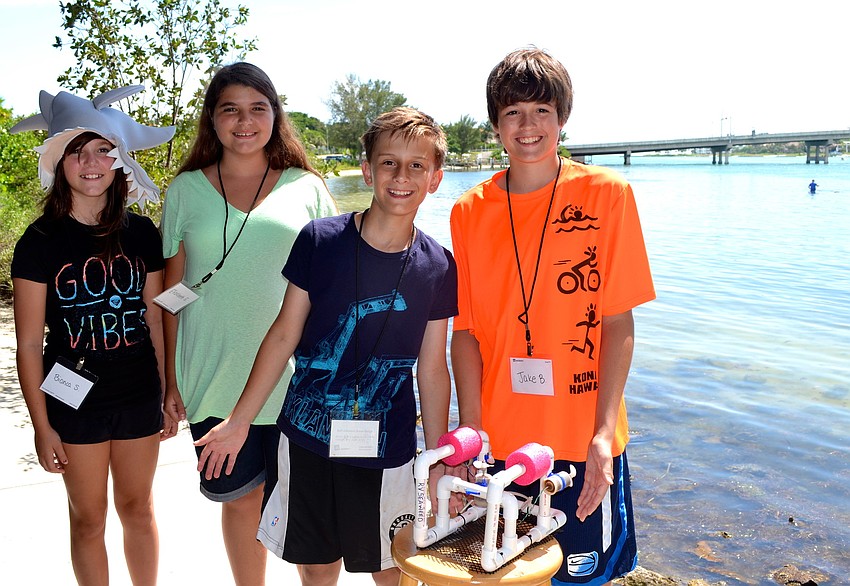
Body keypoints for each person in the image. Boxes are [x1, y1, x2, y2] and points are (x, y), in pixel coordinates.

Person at [193, 106, 458, 586]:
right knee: (316, 566)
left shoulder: (438, 265)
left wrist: (438, 460)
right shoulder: (321, 240)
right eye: (388, 163)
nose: (402, 176)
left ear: (435, 178)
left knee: (392, 566)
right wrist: (239, 420)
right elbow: (283, 333)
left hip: (387, 446)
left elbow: (433, 370)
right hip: (307, 439)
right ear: (367, 168)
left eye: (417, 165)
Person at [450, 47, 656, 585]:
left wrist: (603, 436)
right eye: (513, 112)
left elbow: (618, 323)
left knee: (582, 577)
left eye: (542, 110)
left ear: (562, 118)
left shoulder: (608, 195)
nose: (528, 125)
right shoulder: (468, 212)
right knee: (506, 574)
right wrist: (471, 432)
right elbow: (466, 332)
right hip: (504, 443)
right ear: (496, 124)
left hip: (581, 437)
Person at [159, 62, 337, 585]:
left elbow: (332, 289)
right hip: (212, 378)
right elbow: (170, 296)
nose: (244, 120)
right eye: (230, 109)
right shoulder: (186, 190)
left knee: (308, 510)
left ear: (275, 116)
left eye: (258, 107)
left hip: (295, 383)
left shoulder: (307, 186)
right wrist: (170, 380)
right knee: (241, 504)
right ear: (211, 120)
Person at [10, 85, 175, 585]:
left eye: (102, 150)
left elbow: (156, 317)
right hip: (72, 400)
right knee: (88, 519)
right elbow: (27, 345)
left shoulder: (143, 233)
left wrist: (170, 389)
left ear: (119, 159)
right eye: (76, 152)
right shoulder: (38, 243)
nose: (91, 163)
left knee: (138, 507)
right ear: (59, 163)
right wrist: (42, 427)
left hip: (138, 393)